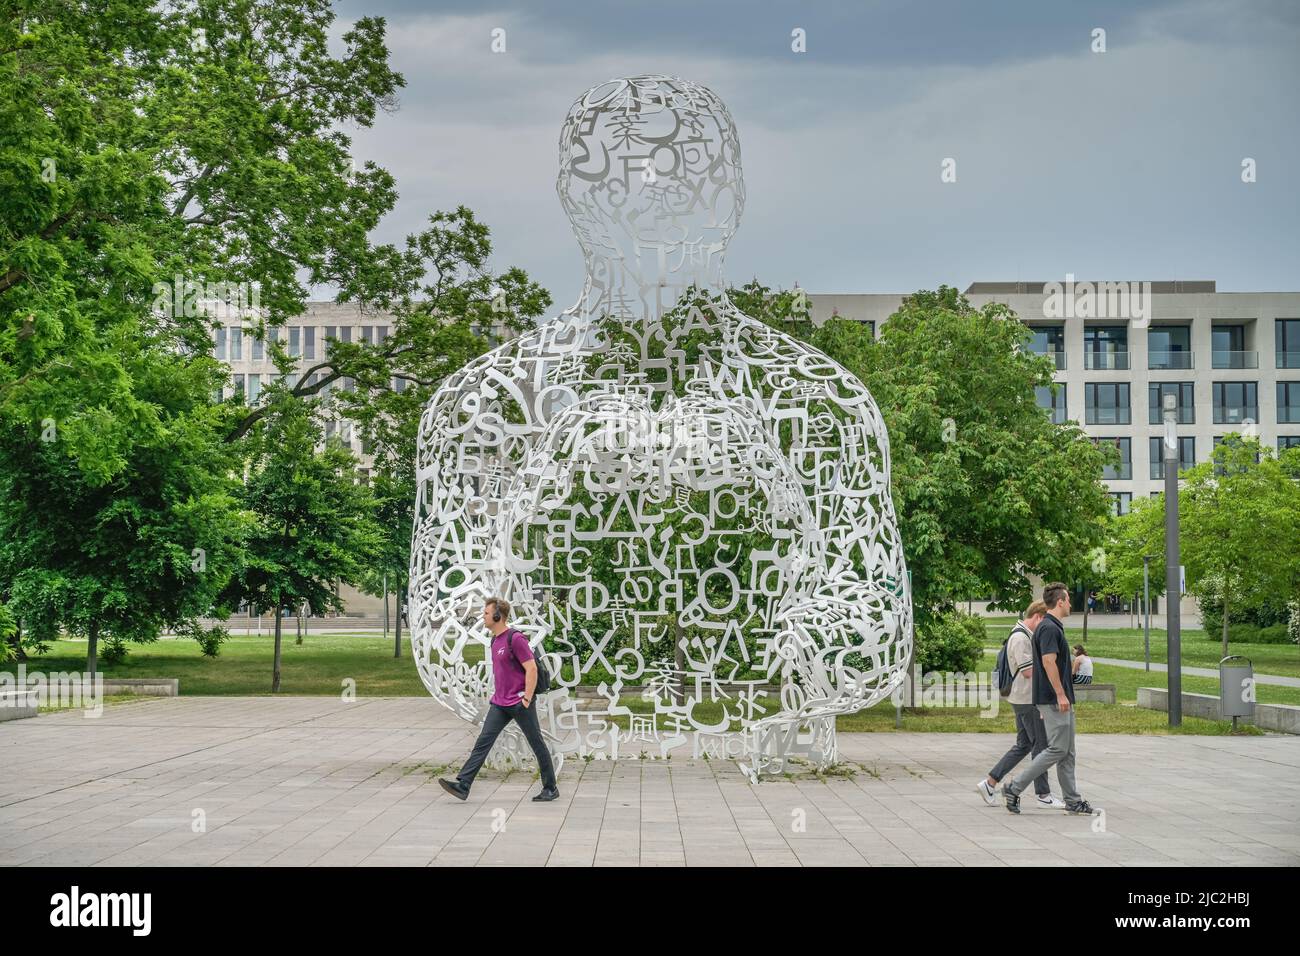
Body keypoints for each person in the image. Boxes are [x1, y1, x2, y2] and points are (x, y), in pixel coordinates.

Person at [439, 597, 559, 803]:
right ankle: (464, 785)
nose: (482, 617)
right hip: (500, 703)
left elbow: (531, 668)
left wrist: (527, 698)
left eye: (486, 613)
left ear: (497, 616)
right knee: (483, 742)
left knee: (536, 743)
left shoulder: (516, 638)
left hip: (520, 702)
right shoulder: (495, 640)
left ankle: (550, 788)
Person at [1003, 582, 1098, 816]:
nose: (1070, 603)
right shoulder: (1049, 628)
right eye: (1068, 599)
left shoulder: (1053, 626)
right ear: (1060, 601)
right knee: (1057, 749)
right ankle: (1013, 788)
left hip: (1060, 697)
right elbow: (1047, 661)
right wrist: (1060, 693)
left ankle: (1072, 800)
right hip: (1054, 698)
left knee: (1067, 751)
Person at [975, 601, 1066, 809]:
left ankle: (990, 783)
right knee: (1042, 747)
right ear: (1038, 617)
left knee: (1024, 745)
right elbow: (1027, 672)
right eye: (1044, 622)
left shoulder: (1021, 635)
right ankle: (1043, 794)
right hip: (1026, 699)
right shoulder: (1021, 638)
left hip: (1021, 698)